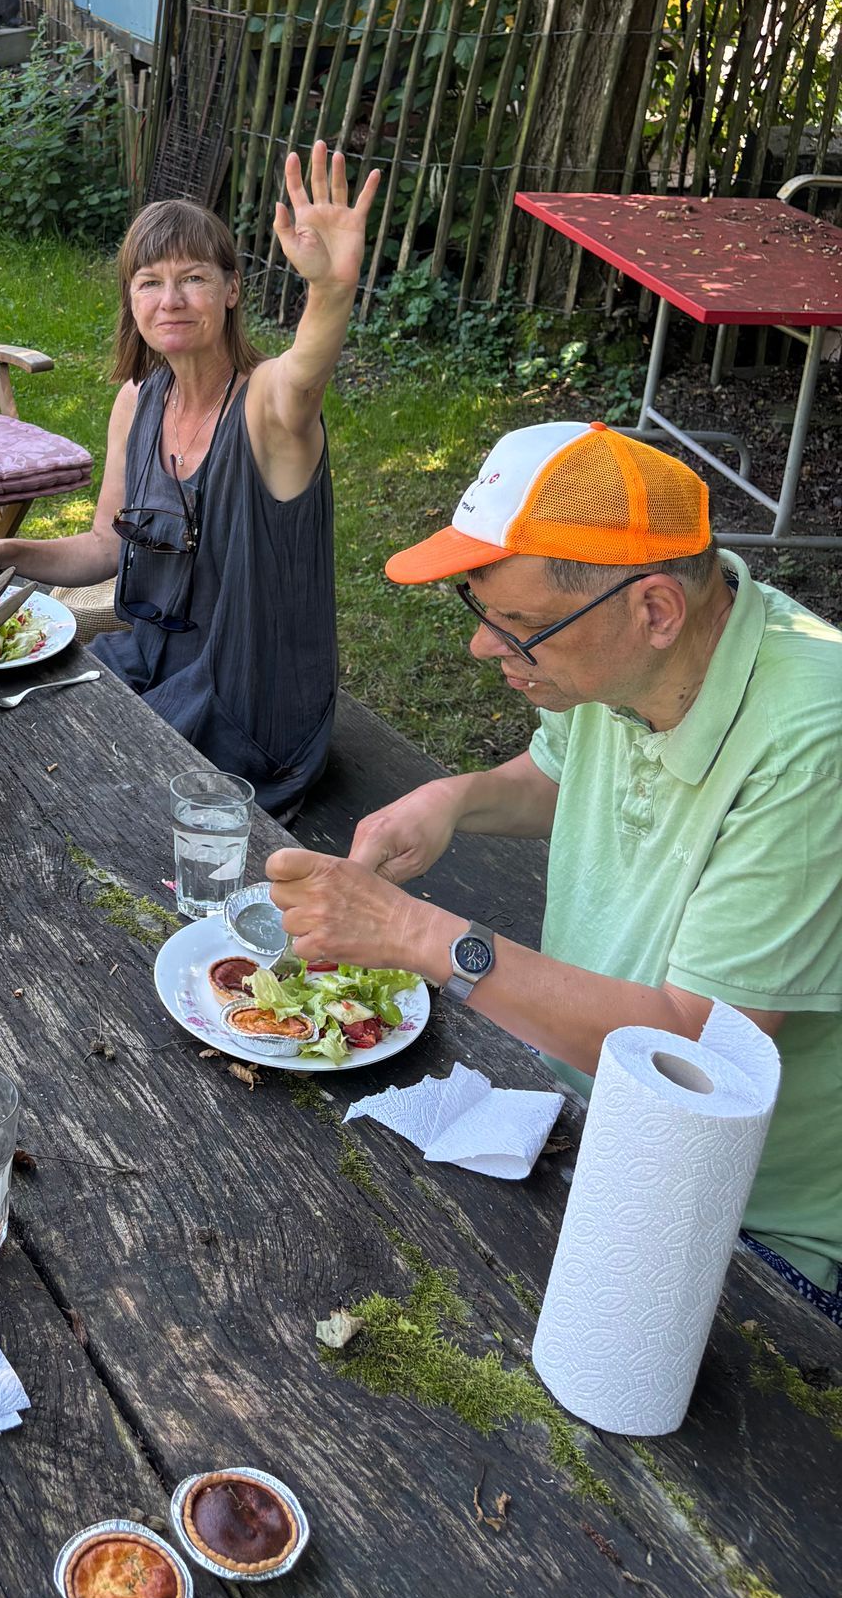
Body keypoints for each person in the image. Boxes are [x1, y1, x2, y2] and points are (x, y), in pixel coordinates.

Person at [266, 420, 842, 1311]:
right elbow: (557, 774)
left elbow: (695, 1048)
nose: (483, 647)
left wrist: (418, 934)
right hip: (575, 1112)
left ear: (655, 609)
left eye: (520, 625)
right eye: (480, 609)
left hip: (741, 1230)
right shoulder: (631, 659)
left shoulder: (816, 743)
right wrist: (456, 798)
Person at [0, 142, 378, 810]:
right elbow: (107, 546)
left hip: (247, 703)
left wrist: (331, 288)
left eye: (193, 278)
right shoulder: (139, 400)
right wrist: (1, 552)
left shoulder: (266, 406)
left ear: (231, 290)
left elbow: (305, 375)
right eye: (149, 282)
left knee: (72, 797)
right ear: (131, 300)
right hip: (154, 662)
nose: (170, 299)